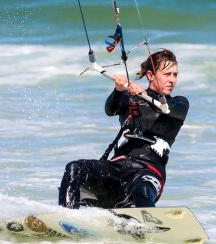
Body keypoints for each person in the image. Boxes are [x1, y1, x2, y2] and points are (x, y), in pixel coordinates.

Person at [58, 49, 189, 209]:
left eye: (175, 75)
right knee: (75, 168)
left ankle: (149, 226)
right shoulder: (130, 97)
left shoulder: (180, 103)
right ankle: (67, 219)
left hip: (148, 172)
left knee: (143, 192)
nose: (172, 80)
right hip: (117, 168)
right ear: (150, 75)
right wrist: (119, 90)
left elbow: (165, 108)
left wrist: (143, 94)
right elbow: (110, 110)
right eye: (167, 74)